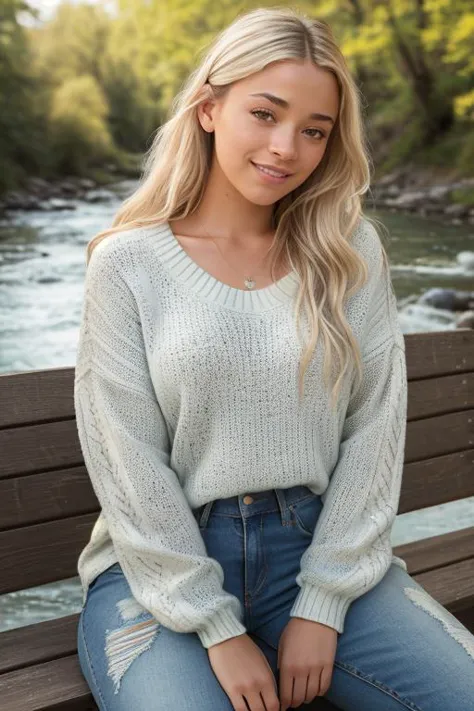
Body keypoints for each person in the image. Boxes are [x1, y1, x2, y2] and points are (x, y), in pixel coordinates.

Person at [73, 6, 474, 711]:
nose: (287, 146)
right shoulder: (126, 264)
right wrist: (215, 626)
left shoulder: (352, 255)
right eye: (265, 113)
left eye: (314, 130)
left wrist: (322, 601)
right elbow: (126, 460)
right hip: (158, 574)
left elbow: (376, 429)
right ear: (208, 107)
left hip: (320, 552)